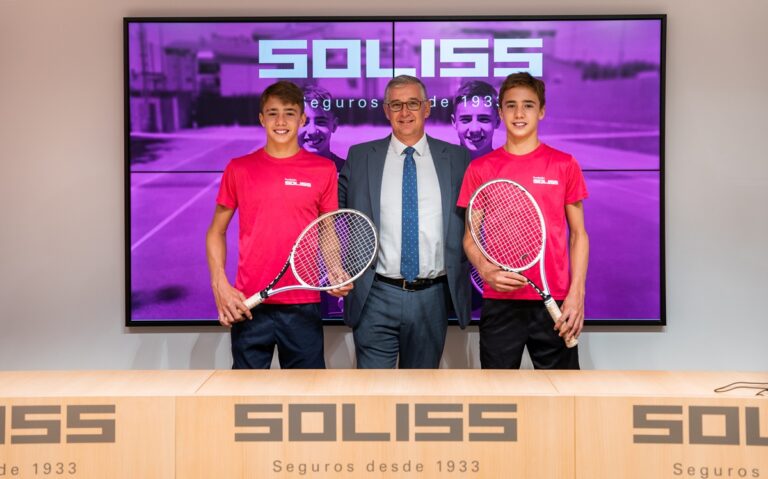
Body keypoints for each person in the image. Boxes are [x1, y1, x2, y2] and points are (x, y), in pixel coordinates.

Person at [206, 80, 350, 369]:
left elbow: (327, 230)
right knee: (245, 392)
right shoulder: (238, 168)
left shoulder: (324, 169)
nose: (281, 122)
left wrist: (335, 268)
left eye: (289, 113)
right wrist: (220, 284)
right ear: (262, 119)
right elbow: (215, 232)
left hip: (303, 305)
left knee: (307, 392)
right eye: (273, 113)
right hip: (249, 305)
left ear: (302, 119)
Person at [457, 72, 589, 369]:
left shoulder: (564, 164)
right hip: (500, 302)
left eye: (528, 105)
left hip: (554, 301)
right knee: (498, 392)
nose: (519, 114)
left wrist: (576, 294)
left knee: (562, 392)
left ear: (541, 111)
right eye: (511, 105)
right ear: (500, 112)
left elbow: (579, 235)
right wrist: (485, 270)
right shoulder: (480, 169)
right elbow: (470, 237)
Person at [338, 75, 472, 369]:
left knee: (421, 388)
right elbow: (333, 215)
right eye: (396, 105)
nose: (405, 112)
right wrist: (335, 266)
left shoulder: (458, 159)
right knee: (374, 390)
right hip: (375, 293)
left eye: (413, 103)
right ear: (386, 110)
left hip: (432, 296)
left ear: (427, 108)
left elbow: (476, 222)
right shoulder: (360, 157)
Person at [299, 85, 345, 172]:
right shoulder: (278, 173)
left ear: (334, 125)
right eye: (304, 122)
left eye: (321, 122)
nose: (312, 131)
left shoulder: (349, 174)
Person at [451, 80, 501, 160]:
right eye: (466, 120)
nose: (474, 129)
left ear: (497, 121)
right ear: (454, 122)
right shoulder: (440, 167)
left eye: (484, 119)